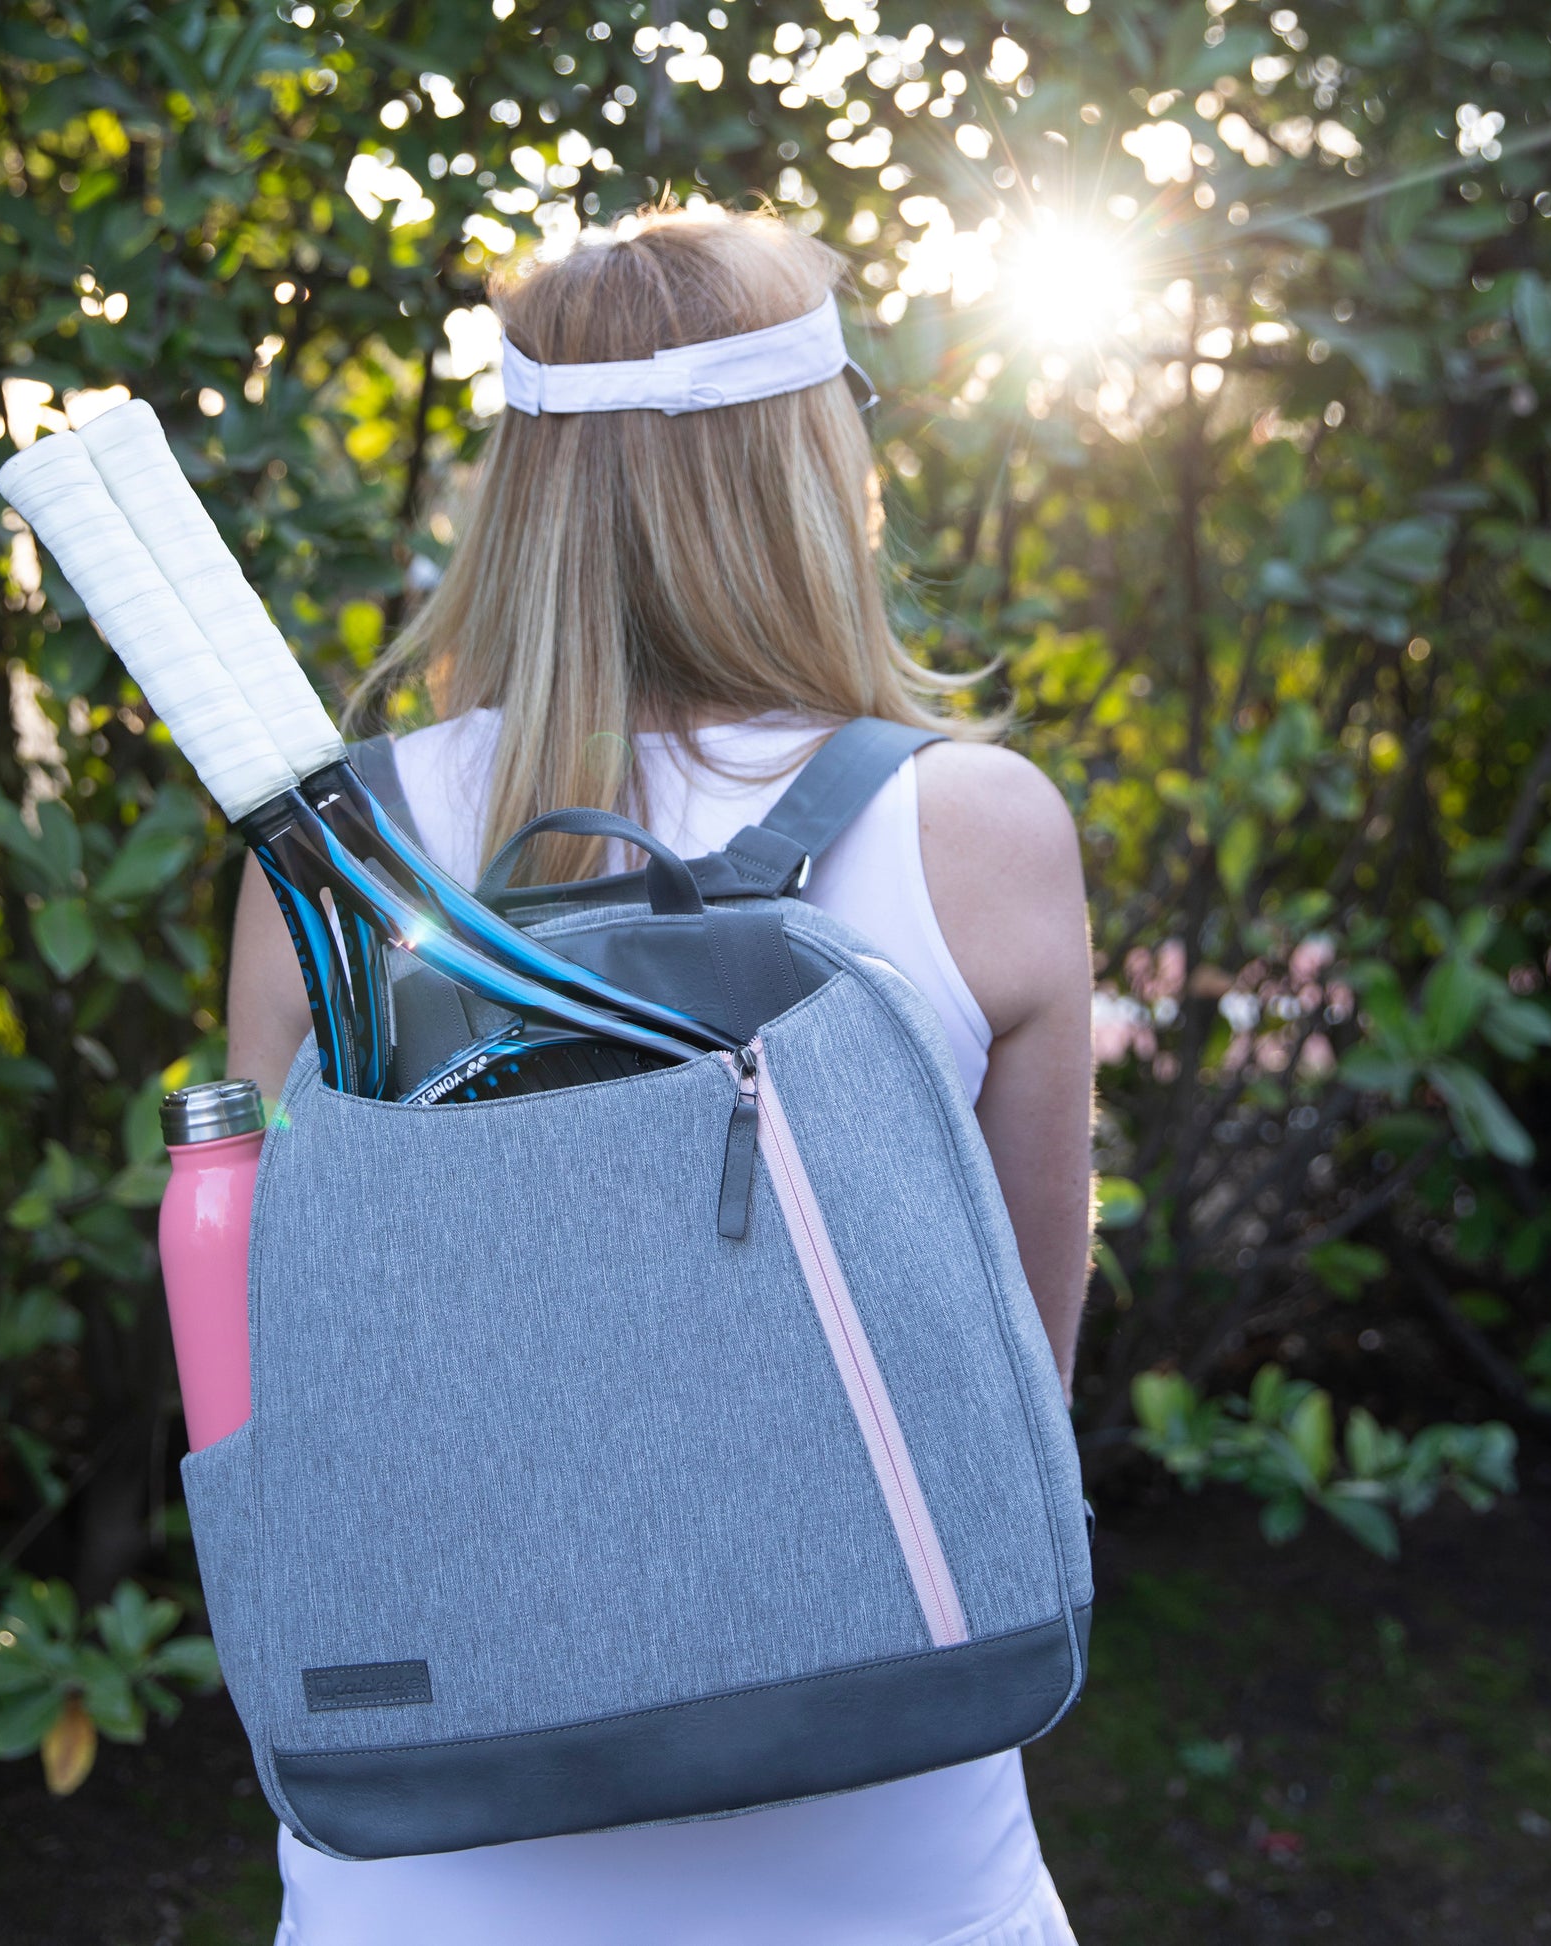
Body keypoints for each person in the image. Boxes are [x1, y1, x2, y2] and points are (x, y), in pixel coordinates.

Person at [226, 203, 1093, 1946]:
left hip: (433, 1839)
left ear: (520, 488)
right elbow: (1009, 1383)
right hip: (884, 1828)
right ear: (811, 465)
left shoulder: (334, 863)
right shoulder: (972, 833)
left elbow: (276, 1366)